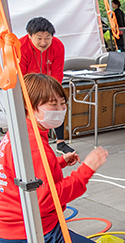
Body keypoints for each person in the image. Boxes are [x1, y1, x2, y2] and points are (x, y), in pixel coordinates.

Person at [0, 74, 116, 243]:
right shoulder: (33, 144)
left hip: (15, 228)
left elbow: (24, 174)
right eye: (52, 104)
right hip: (31, 234)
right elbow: (46, 199)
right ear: (29, 105)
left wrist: (59, 162)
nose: (60, 109)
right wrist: (87, 169)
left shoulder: (21, 131)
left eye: (62, 103)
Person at [19, 17, 74, 155]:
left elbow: (57, 72)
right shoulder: (20, 47)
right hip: (28, 85)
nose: (43, 43)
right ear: (29, 35)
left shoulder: (58, 45)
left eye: (47, 38)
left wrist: (52, 93)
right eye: (39, 38)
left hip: (49, 83)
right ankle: (29, 141)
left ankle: (60, 142)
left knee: (57, 103)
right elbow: (21, 75)